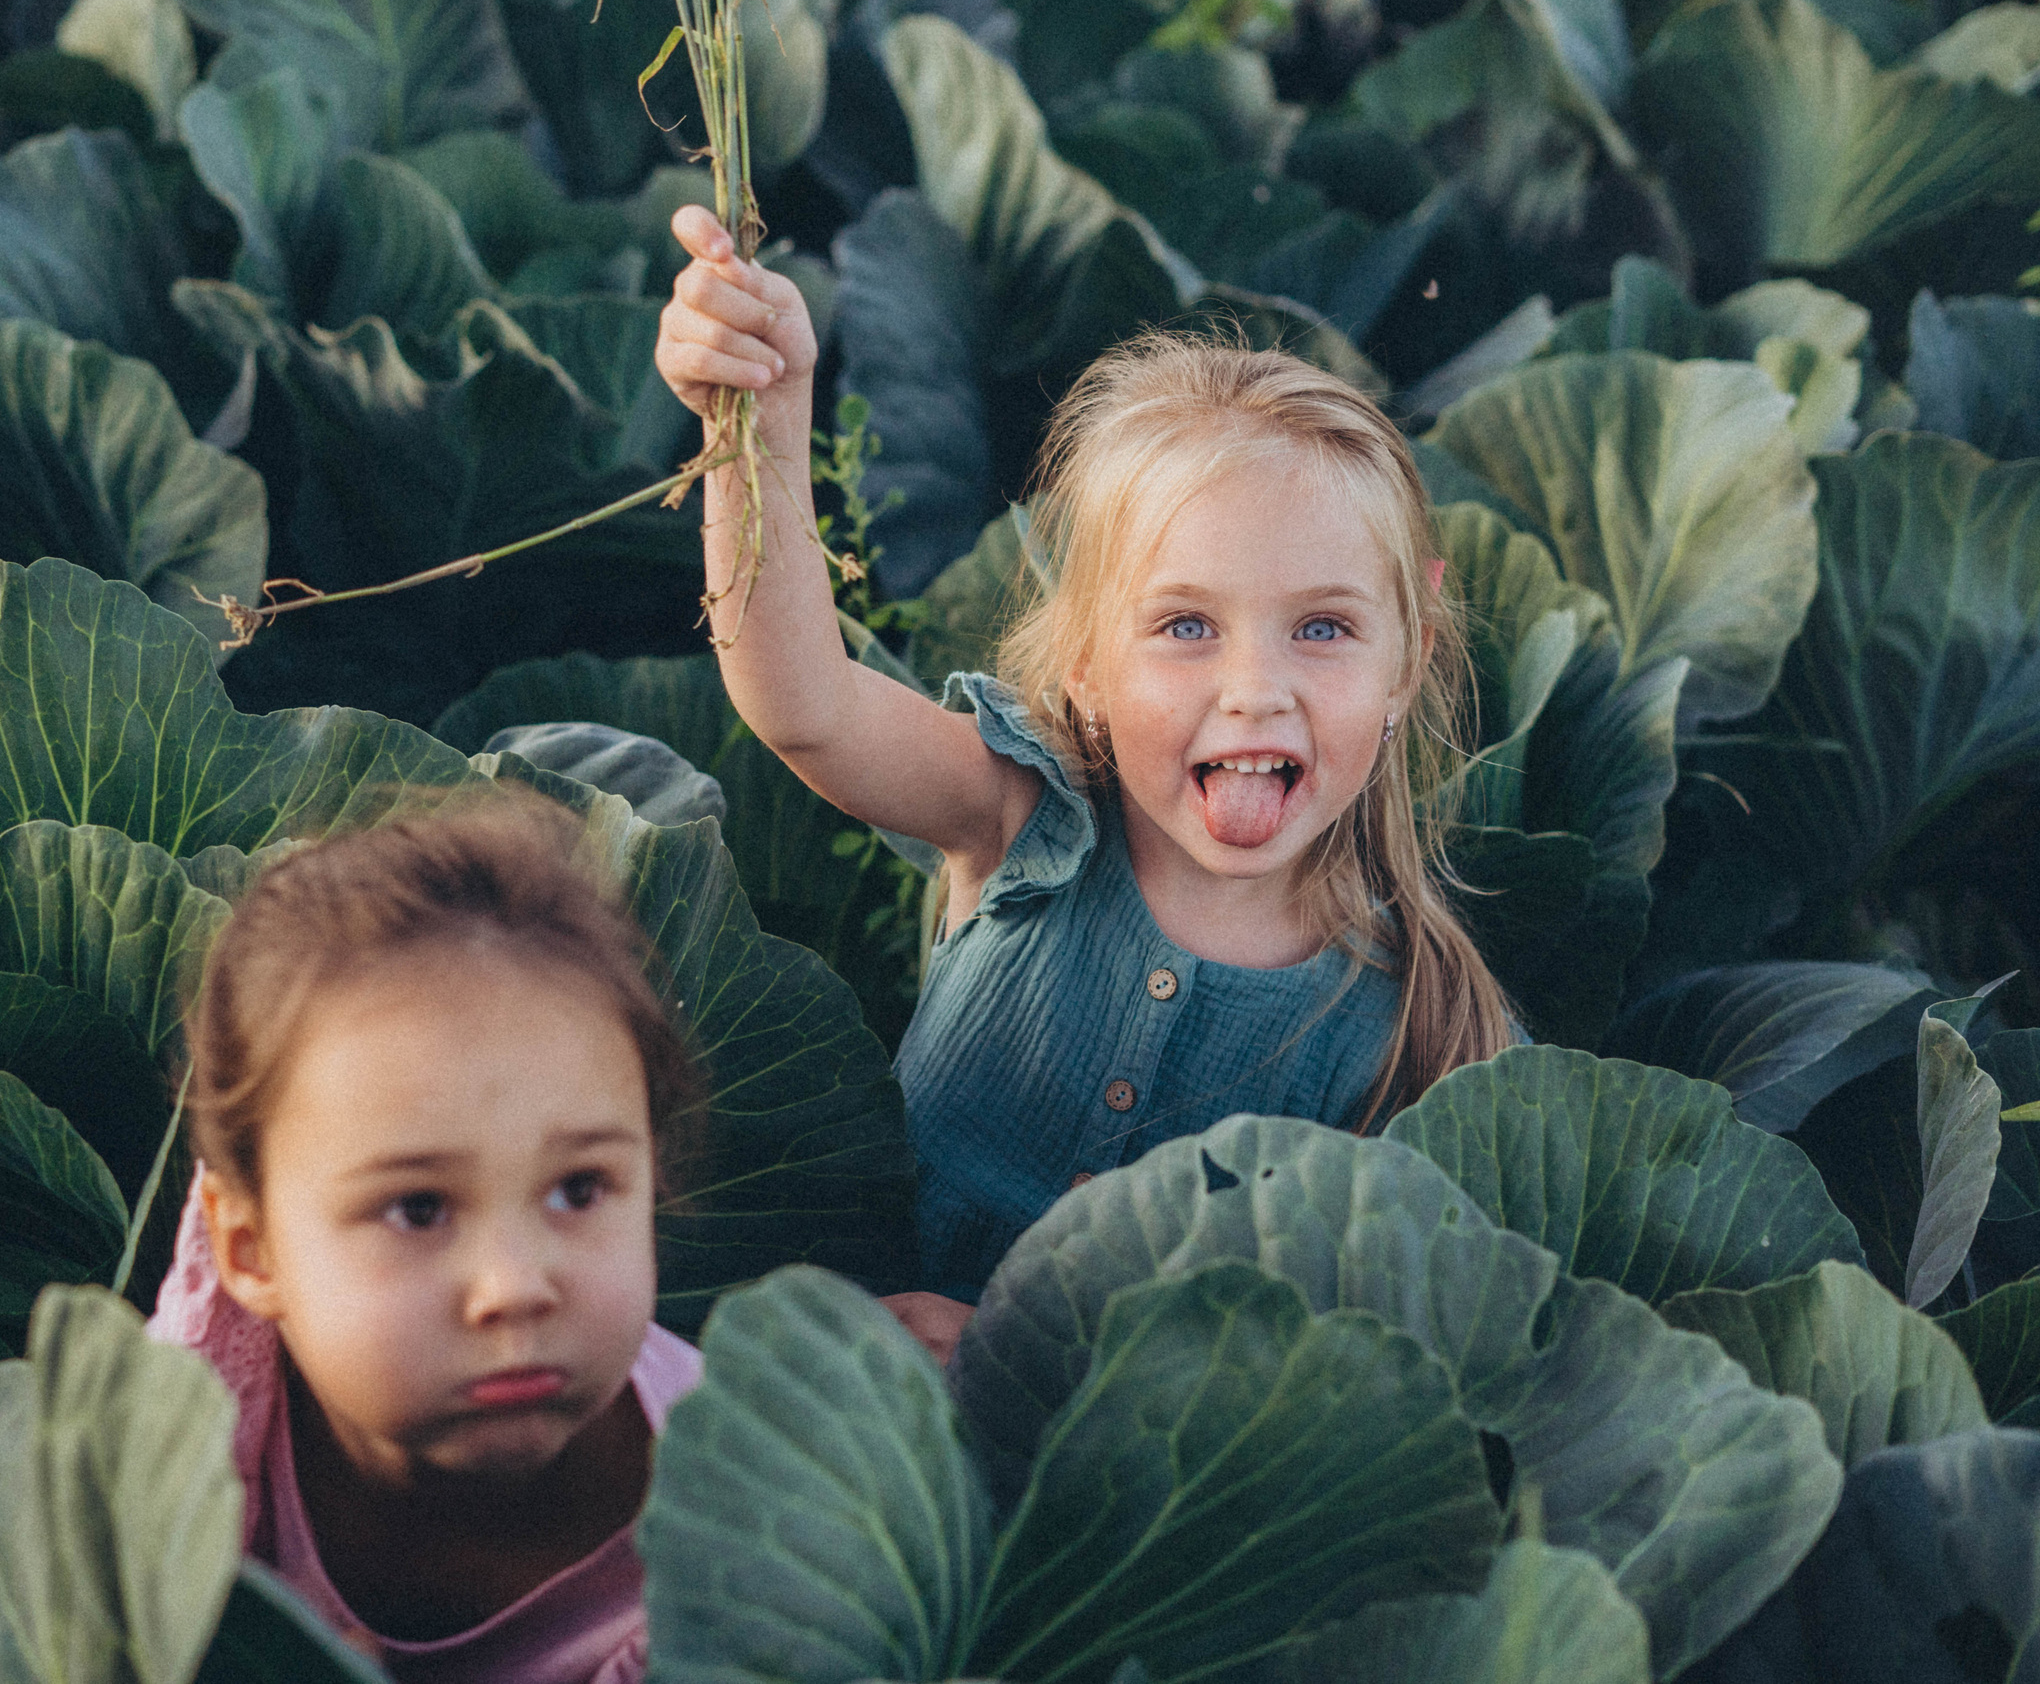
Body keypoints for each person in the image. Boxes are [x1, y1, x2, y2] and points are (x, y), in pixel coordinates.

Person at [654, 204, 1523, 1331]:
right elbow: (805, 708)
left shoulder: (1422, 1030)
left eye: (1321, 629)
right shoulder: (1025, 817)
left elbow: (1351, 1369)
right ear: (1086, 664)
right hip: (859, 1426)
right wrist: (760, 425)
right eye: (1183, 627)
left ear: (1409, 652)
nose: (1254, 688)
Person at [147, 794, 705, 1684]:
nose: (515, 1286)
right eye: (417, 1208)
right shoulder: (149, 1474)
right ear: (250, 1249)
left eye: (578, 1188)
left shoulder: (753, 1525)